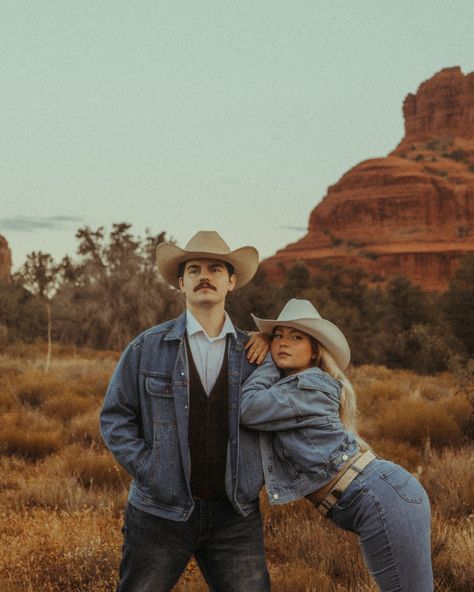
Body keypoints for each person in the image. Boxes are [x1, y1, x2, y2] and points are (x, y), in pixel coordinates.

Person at [100, 231, 275, 592]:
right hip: (158, 513)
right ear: (181, 283)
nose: (204, 276)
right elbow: (115, 418)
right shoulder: (147, 348)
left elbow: (311, 378)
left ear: (232, 281)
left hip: (235, 516)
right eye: (193, 270)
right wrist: (151, 471)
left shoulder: (257, 355)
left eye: (215, 268)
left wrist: (272, 337)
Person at [240, 298, 434, 592]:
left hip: (381, 497)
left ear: (315, 350)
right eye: (277, 335)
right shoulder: (292, 385)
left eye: (296, 337)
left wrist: (267, 358)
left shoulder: (308, 386)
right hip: (378, 495)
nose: (283, 343)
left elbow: (248, 408)